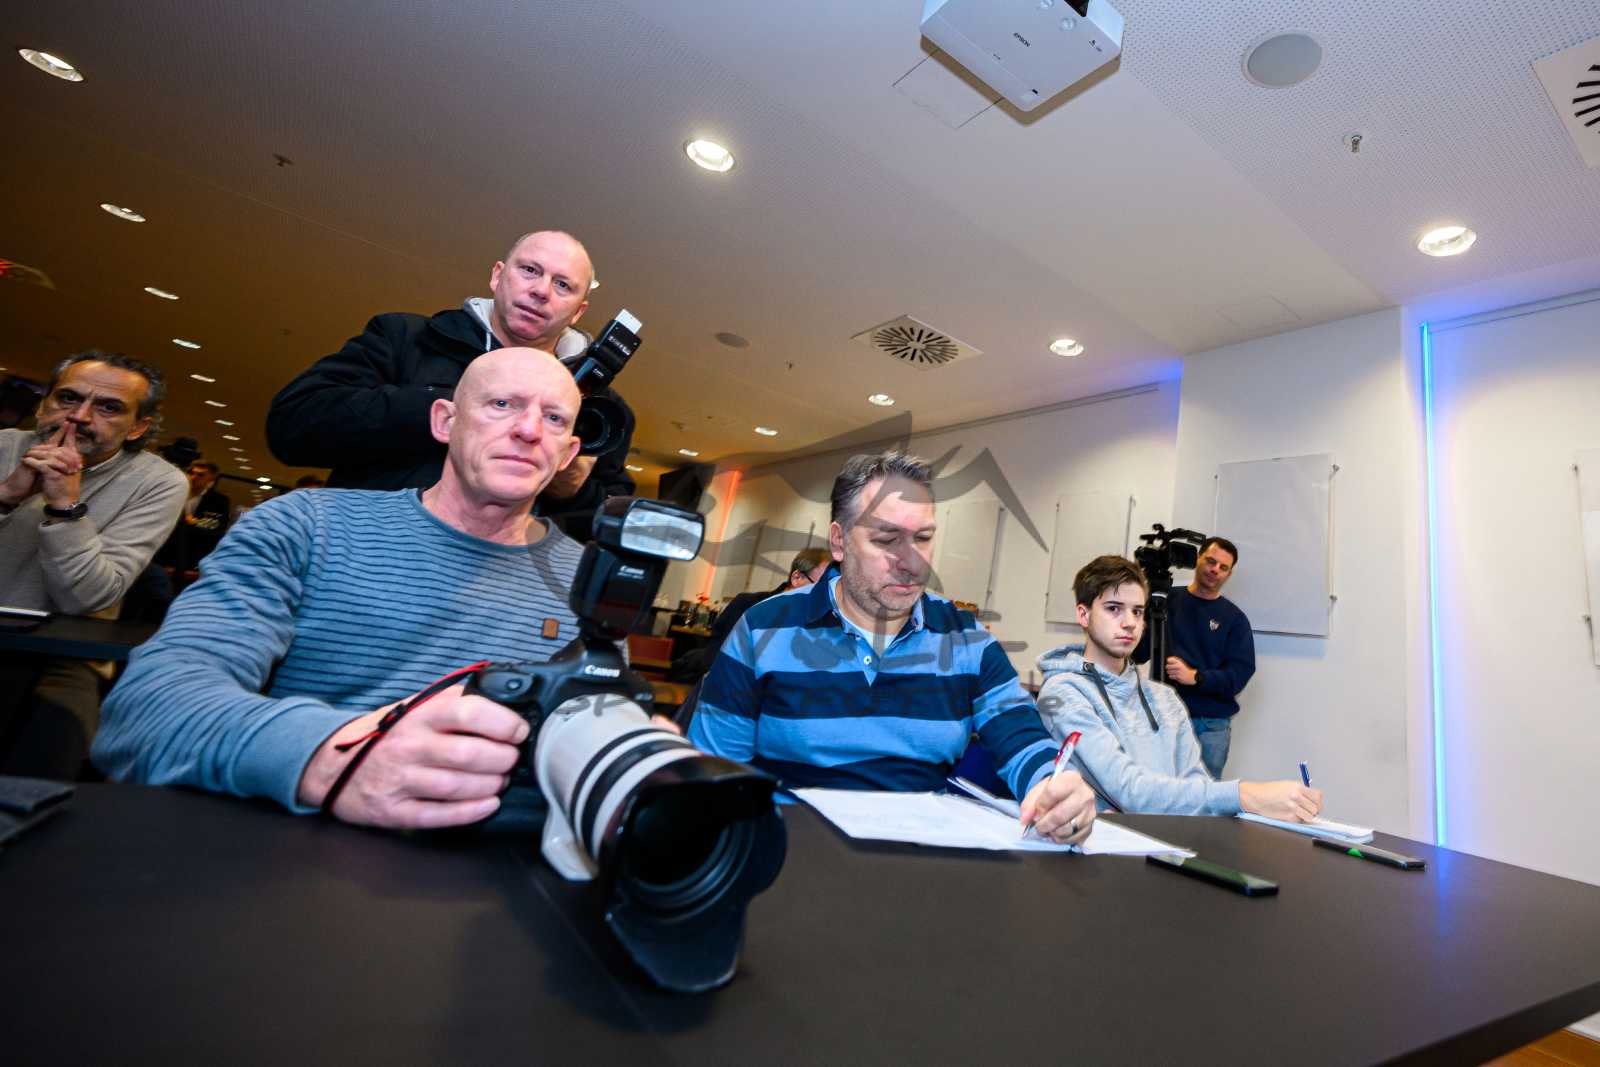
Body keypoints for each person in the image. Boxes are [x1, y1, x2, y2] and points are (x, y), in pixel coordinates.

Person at [94, 347, 594, 830]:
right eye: (502, 404)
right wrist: (333, 758)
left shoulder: (590, 582)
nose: (529, 430)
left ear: (567, 453)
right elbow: (148, 711)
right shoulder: (306, 526)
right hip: (296, 852)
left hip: (502, 867)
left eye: (554, 419)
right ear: (445, 421)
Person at [689, 451, 1095, 845]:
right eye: (887, 539)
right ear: (839, 541)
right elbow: (712, 773)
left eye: (923, 538)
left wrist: (1054, 786)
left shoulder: (967, 640)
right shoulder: (763, 628)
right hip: (790, 853)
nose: (912, 562)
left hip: (919, 858)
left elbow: (1022, 737)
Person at [264, 229, 635, 539]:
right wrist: (455, 409)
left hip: (497, 589)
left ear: (578, 311)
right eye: (529, 270)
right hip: (365, 554)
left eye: (563, 284)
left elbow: (612, 532)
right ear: (497, 276)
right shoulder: (405, 339)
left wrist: (573, 490)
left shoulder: (599, 411)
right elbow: (291, 426)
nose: (541, 290)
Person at [0, 352, 187, 778]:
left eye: (108, 407)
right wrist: (7, 496)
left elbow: (85, 597)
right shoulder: (4, 446)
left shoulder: (158, 483)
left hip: (62, 655)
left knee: (47, 764)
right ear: (44, 404)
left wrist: (65, 508)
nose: (80, 416)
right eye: (68, 398)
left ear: (138, 427)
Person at [1035, 555, 1321, 821]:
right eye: (1113, 609)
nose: (1130, 623)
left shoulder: (1163, 698)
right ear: (1084, 615)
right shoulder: (1062, 693)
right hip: (1105, 847)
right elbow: (1129, 791)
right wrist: (1244, 795)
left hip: (1173, 844)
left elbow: (1196, 785)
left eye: (1138, 612)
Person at [1161, 536, 1255, 778]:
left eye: (1223, 567)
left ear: (1228, 574)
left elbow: (1238, 675)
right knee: (1159, 790)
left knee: (1205, 795)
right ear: (1198, 559)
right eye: (1211, 561)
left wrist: (1196, 677)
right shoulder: (1167, 601)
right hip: (1164, 717)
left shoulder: (1234, 619)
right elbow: (1139, 652)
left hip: (1210, 725)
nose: (1215, 570)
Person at [671, 546, 833, 682]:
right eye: (820, 588)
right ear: (796, 577)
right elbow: (718, 655)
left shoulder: (817, 624)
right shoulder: (748, 605)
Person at [154, 460, 232, 572]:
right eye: (191, 473)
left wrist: (194, 523)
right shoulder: (172, 492)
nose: (193, 477)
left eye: (200, 475)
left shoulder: (219, 501)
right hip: (160, 552)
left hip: (190, 558)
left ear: (211, 480)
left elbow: (217, 529)